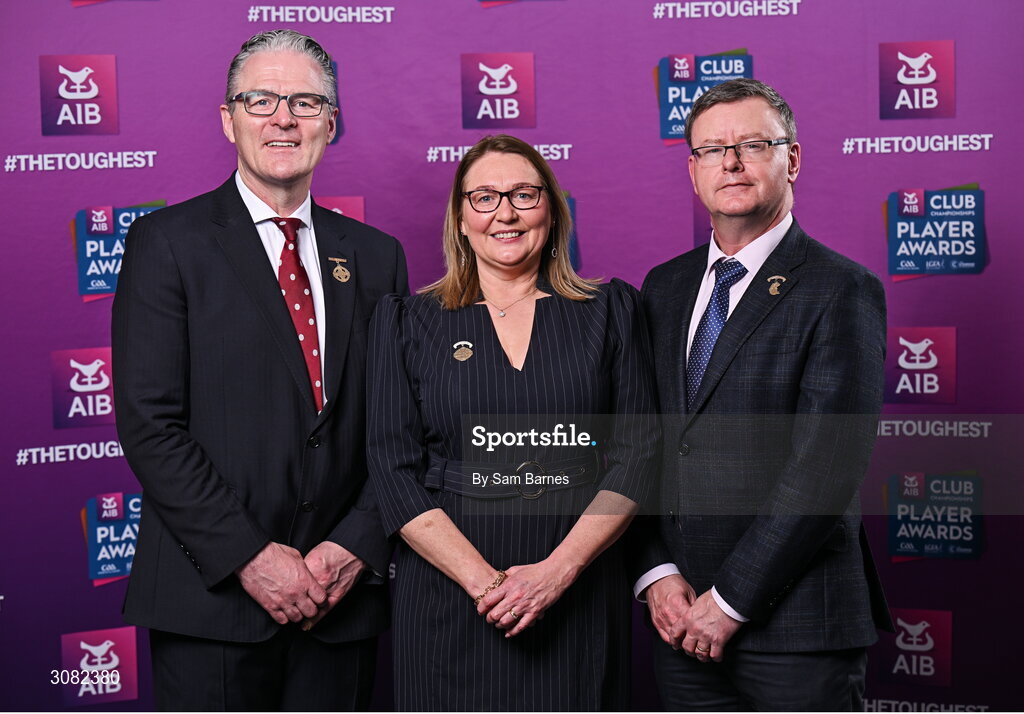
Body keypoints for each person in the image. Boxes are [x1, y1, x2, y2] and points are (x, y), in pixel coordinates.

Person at [112, 30, 407, 711]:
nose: (283, 117)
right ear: (228, 118)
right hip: (210, 601)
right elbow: (151, 425)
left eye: (305, 102)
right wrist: (252, 557)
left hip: (340, 602)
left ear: (331, 123)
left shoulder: (376, 255)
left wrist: (352, 546)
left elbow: (396, 424)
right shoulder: (166, 243)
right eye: (261, 99)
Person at [367, 134, 658, 711]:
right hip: (449, 590)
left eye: (524, 194)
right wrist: (489, 585)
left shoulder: (610, 310)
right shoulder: (406, 321)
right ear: (459, 216)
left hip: (575, 581)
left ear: (552, 207)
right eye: (484, 197)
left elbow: (640, 455)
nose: (505, 212)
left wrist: (555, 573)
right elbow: (392, 469)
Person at [634, 78, 893, 711]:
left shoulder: (840, 289)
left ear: (792, 158)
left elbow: (824, 470)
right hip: (680, 622)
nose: (731, 162)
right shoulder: (662, 289)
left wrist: (728, 604)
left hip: (796, 626)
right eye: (712, 150)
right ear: (692, 169)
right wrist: (658, 577)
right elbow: (639, 445)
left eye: (752, 144)